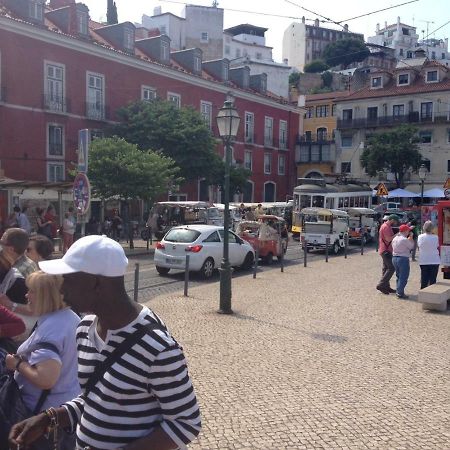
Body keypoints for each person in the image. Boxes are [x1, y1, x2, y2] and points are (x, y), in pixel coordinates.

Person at [9, 235, 201, 450]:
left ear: (96, 283)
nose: (61, 289)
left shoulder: (157, 347)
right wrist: (50, 418)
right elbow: (97, 398)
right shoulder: (83, 328)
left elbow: (186, 423)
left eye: (68, 280)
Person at [5, 271, 80, 449]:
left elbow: (46, 379)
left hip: (39, 415)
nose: (26, 295)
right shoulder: (71, 317)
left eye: (31, 291)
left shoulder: (51, 330)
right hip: (63, 410)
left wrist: (16, 364)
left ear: (45, 296)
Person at [376, 214, 399, 295]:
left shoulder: (387, 226)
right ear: (392, 219)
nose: (396, 223)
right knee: (391, 268)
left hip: (385, 249)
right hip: (385, 250)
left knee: (386, 268)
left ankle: (386, 286)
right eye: (395, 221)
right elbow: (388, 239)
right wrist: (397, 234)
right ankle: (381, 285)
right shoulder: (385, 227)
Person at [392, 224, 415, 299]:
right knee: (404, 276)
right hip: (403, 258)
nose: (409, 231)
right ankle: (400, 292)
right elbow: (411, 246)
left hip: (395, 257)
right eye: (408, 230)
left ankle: (398, 290)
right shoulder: (404, 239)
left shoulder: (395, 238)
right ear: (405, 231)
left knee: (398, 275)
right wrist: (411, 237)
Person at [418, 220, 441, 289]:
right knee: (432, 279)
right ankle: (431, 295)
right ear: (432, 228)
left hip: (423, 260)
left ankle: (423, 293)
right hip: (434, 260)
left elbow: (419, 245)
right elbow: (437, 246)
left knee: (424, 279)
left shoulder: (420, 236)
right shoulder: (436, 237)